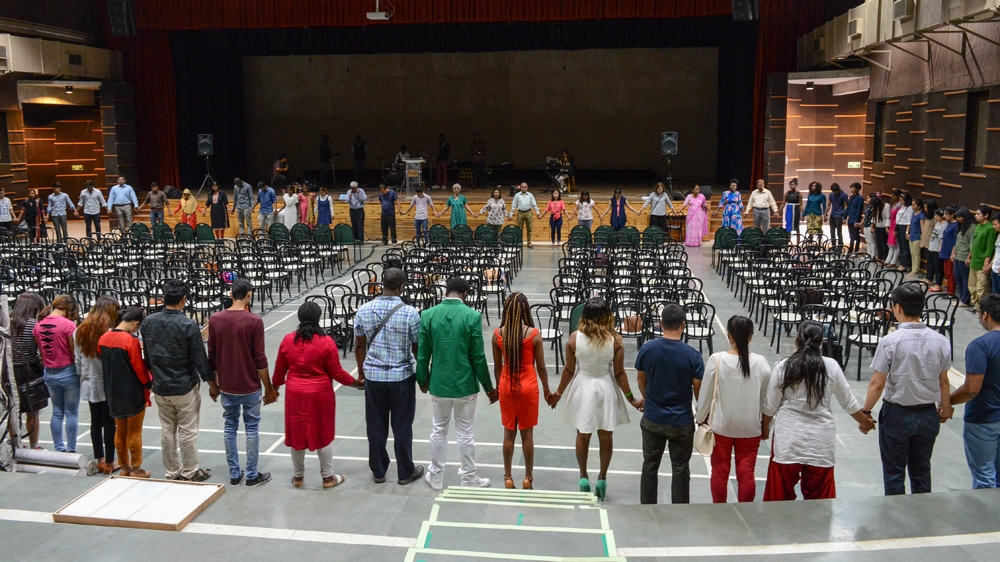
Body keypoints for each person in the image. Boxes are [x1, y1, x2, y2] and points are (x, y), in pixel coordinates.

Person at [762, 322, 875, 501]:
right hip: (820, 443)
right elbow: (849, 402)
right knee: (820, 505)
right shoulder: (831, 366)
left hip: (787, 440)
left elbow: (770, 405)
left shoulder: (784, 365)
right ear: (821, 342)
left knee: (778, 501)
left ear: (797, 339)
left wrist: (764, 428)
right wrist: (865, 421)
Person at [861, 284, 952, 495]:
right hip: (928, 414)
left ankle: (896, 521)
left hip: (897, 414)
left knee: (894, 472)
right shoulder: (940, 341)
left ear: (897, 307)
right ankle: (921, 518)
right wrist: (945, 407)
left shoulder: (890, 341)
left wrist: (865, 412)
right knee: (922, 470)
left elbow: (878, 383)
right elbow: (944, 380)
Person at [550, 297, 639, 500]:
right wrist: (631, 399)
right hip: (605, 387)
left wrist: (557, 395)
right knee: (606, 436)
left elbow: (569, 371)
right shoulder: (615, 341)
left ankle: (583, 477)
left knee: (583, 434)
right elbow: (619, 374)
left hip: (584, 386)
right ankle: (602, 478)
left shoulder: (574, 339)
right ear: (607, 316)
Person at [417, 277, 497, 491]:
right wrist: (489, 388)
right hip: (465, 385)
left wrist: (422, 378)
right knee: (465, 432)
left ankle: (435, 476)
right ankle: (469, 477)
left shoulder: (428, 315)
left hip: (439, 383)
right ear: (465, 294)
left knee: (438, 429)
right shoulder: (472, 316)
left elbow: (423, 354)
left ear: (446, 292)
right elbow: (478, 357)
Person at [274, 301, 361, 489]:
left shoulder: (288, 340)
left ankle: (298, 477)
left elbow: (279, 372)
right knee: (323, 433)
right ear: (318, 318)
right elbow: (337, 373)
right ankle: (328, 477)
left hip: (295, 394)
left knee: (296, 433)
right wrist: (356, 384)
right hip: (320, 394)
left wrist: (272, 389)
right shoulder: (327, 342)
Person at [353, 268, 424, 486]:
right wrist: (421, 375)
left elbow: (359, 345)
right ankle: (405, 472)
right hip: (402, 377)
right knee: (402, 425)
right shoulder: (411, 313)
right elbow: (416, 348)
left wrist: (362, 373)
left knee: (375, 425)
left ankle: (379, 471)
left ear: (382, 284)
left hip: (374, 377)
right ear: (402, 287)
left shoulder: (363, 310)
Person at [140, 280, 213, 482]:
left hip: (161, 386)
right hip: (184, 387)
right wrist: (212, 383)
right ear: (184, 300)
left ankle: (172, 471)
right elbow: (200, 358)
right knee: (188, 431)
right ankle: (190, 471)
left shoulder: (148, 322)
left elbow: (147, 357)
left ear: (164, 299)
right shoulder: (188, 325)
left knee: (167, 430)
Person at [207, 279, 275, 487]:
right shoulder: (254, 321)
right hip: (250, 386)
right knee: (252, 427)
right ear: (249, 295)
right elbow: (260, 359)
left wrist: (213, 384)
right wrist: (269, 388)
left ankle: (235, 473)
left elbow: (212, 355)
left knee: (230, 427)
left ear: (230, 294)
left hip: (227, 386)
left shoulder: (215, 319)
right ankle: (252, 474)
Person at [695, 316, 771, 503]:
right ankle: (745, 513)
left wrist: (700, 418)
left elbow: (705, 394)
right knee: (746, 475)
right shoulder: (761, 363)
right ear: (751, 337)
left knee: (719, 473)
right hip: (750, 428)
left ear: (728, 335)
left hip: (720, 427)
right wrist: (766, 426)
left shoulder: (717, 359)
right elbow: (766, 400)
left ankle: (719, 512)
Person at [634, 303, 703, 504]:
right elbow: (699, 390)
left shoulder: (647, 348)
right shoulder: (692, 355)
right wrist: (703, 415)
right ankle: (680, 509)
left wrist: (647, 398)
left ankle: (647, 508)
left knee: (649, 464)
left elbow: (640, 379)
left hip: (652, 418)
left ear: (661, 323)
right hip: (681, 422)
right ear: (683, 324)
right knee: (680, 467)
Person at [491, 293, 551, 489]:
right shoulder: (533, 334)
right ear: (526, 309)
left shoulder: (498, 334)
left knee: (509, 433)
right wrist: (547, 391)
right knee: (527, 434)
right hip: (528, 385)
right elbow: (541, 367)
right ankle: (527, 478)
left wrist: (499, 388)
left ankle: (508, 478)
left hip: (507, 385)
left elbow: (498, 367)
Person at [951, 294, 1000, 488]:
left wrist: (947, 401)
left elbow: (971, 389)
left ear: (986, 315)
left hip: (984, 418)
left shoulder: (980, 346)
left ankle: (986, 517)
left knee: (984, 475)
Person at [99, 306, 152, 478]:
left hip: (112, 391)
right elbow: (138, 366)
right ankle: (137, 468)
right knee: (135, 431)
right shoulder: (131, 341)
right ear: (135, 323)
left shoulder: (103, 338)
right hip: (131, 392)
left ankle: (124, 467)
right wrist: (148, 383)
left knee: (120, 430)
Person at [75, 297, 120, 474]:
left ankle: (100, 459)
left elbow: (77, 360)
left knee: (95, 422)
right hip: (108, 382)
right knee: (110, 422)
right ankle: (110, 461)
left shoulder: (79, 330)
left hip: (89, 381)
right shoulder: (110, 333)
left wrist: (84, 375)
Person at [34, 294, 80, 453]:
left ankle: (59, 448)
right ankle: (71, 448)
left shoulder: (38, 325)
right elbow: (74, 353)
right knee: (72, 412)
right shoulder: (68, 325)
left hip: (49, 372)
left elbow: (41, 352)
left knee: (57, 412)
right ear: (69, 309)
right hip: (67, 371)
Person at [11, 293, 47, 449]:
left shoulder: (7, 323)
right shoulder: (35, 324)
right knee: (33, 411)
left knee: (13, 410)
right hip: (30, 370)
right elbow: (40, 351)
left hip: (10, 371)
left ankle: (16, 445)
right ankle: (34, 446)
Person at [970, 206, 998, 310]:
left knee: (981, 287)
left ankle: (981, 307)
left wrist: (986, 263)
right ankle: (975, 304)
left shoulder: (990, 228)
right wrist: (970, 256)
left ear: (986, 215)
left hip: (982, 262)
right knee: (972, 286)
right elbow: (975, 244)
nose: (975, 216)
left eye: (978, 214)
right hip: (974, 260)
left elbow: (990, 247)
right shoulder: (978, 227)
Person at [953, 208, 976, 306]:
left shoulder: (972, 227)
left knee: (965, 278)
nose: (957, 219)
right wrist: (953, 253)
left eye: (959, 217)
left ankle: (965, 299)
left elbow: (972, 244)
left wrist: (969, 257)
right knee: (957, 276)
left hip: (965, 256)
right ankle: (961, 296)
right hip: (958, 255)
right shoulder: (961, 226)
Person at [511, 183, 541, 249]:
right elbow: (514, 205)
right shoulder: (517, 195)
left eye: (525, 187)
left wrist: (538, 213)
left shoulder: (530, 195)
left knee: (529, 229)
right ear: (520, 188)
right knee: (519, 229)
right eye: (522, 187)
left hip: (528, 212)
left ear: (527, 188)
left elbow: (534, 204)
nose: (523, 188)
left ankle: (529, 243)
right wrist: (511, 214)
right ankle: (519, 243)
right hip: (520, 212)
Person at [926, 210, 947, 292]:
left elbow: (942, 238)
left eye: (937, 215)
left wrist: (940, 249)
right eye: (935, 215)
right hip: (932, 247)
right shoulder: (937, 223)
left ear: (942, 216)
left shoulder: (944, 225)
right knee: (932, 265)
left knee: (939, 268)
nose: (935, 217)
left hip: (938, 249)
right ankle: (931, 280)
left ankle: (938, 284)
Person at [940, 207, 958, 295]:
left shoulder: (956, 225)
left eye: (946, 214)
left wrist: (953, 252)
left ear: (952, 215)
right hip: (945, 249)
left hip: (950, 251)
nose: (944, 216)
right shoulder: (948, 224)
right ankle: (948, 290)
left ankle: (951, 291)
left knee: (951, 272)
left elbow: (955, 240)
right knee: (946, 272)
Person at [907, 199, 926, 276]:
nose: (912, 206)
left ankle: (915, 269)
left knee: (916, 254)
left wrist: (922, 237)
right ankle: (913, 268)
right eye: (912, 204)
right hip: (912, 235)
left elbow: (922, 227)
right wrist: (908, 233)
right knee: (912, 254)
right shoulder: (913, 214)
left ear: (919, 206)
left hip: (917, 237)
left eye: (914, 205)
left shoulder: (921, 215)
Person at [895, 193, 914, 272]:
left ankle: (905, 264)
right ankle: (902, 263)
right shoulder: (902, 207)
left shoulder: (910, 208)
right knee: (901, 246)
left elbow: (909, 221)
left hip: (905, 227)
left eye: (902, 200)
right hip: (899, 226)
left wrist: (907, 232)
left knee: (905, 247)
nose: (901, 201)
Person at [826, 182, 848, 247]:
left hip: (839, 215)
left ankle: (840, 246)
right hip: (832, 215)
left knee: (839, 232)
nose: (835, 193)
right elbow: (829, 204)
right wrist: (825, 213)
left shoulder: (844, 195)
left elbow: (845, 206)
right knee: (832, 231)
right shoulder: (831, 194)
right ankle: (833, 246)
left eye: (836, 191)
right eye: (834, 191)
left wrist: (844, 217)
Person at [846, 183, 864, 253]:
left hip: (855, 220)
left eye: (853, 188)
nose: (851, 189)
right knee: (851, 236)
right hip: (850, 219)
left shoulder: (860, 199)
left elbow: (859, 210)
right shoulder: (851, 197)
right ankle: (850, 250)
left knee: (856, 236)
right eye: (851, 188)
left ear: (858, 189)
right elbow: (848, 208)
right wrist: (845, 217)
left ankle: (856, 250)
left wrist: (857, 221)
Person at [874, 194, 890, 261]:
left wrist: (887, 227)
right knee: (878, 242)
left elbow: (888, 217)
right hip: (878, 226)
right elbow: (874, 216)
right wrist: (873, 225)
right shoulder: (876, 207)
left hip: (884, 227)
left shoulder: (887, 206)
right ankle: (879, 256)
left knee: (883, 243)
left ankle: (884, 258)